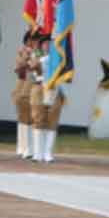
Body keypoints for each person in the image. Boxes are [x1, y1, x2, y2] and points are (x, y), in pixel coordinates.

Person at [28, 31, 64, 163]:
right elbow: (32, 68)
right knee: (38, 118)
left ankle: (48, 153)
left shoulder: (59, 57)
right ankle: (38, 153)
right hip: (39, 87)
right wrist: (40, 62)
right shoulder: (36, 55)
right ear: (41, 45)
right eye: (45, 43)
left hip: (54, 88)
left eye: (50, 43)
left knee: (52, 120)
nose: (47, 45)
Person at [11, 30, 35, 159]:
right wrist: (27, 57)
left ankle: (30, 148)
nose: (34, 42)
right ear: (27, 41)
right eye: (32, 39)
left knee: (33, 118)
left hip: (34, 87)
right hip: (22, 86)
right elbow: (18, 68)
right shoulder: (22, 52)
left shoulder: (38, 53)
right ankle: (22, 146)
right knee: (23, 118)